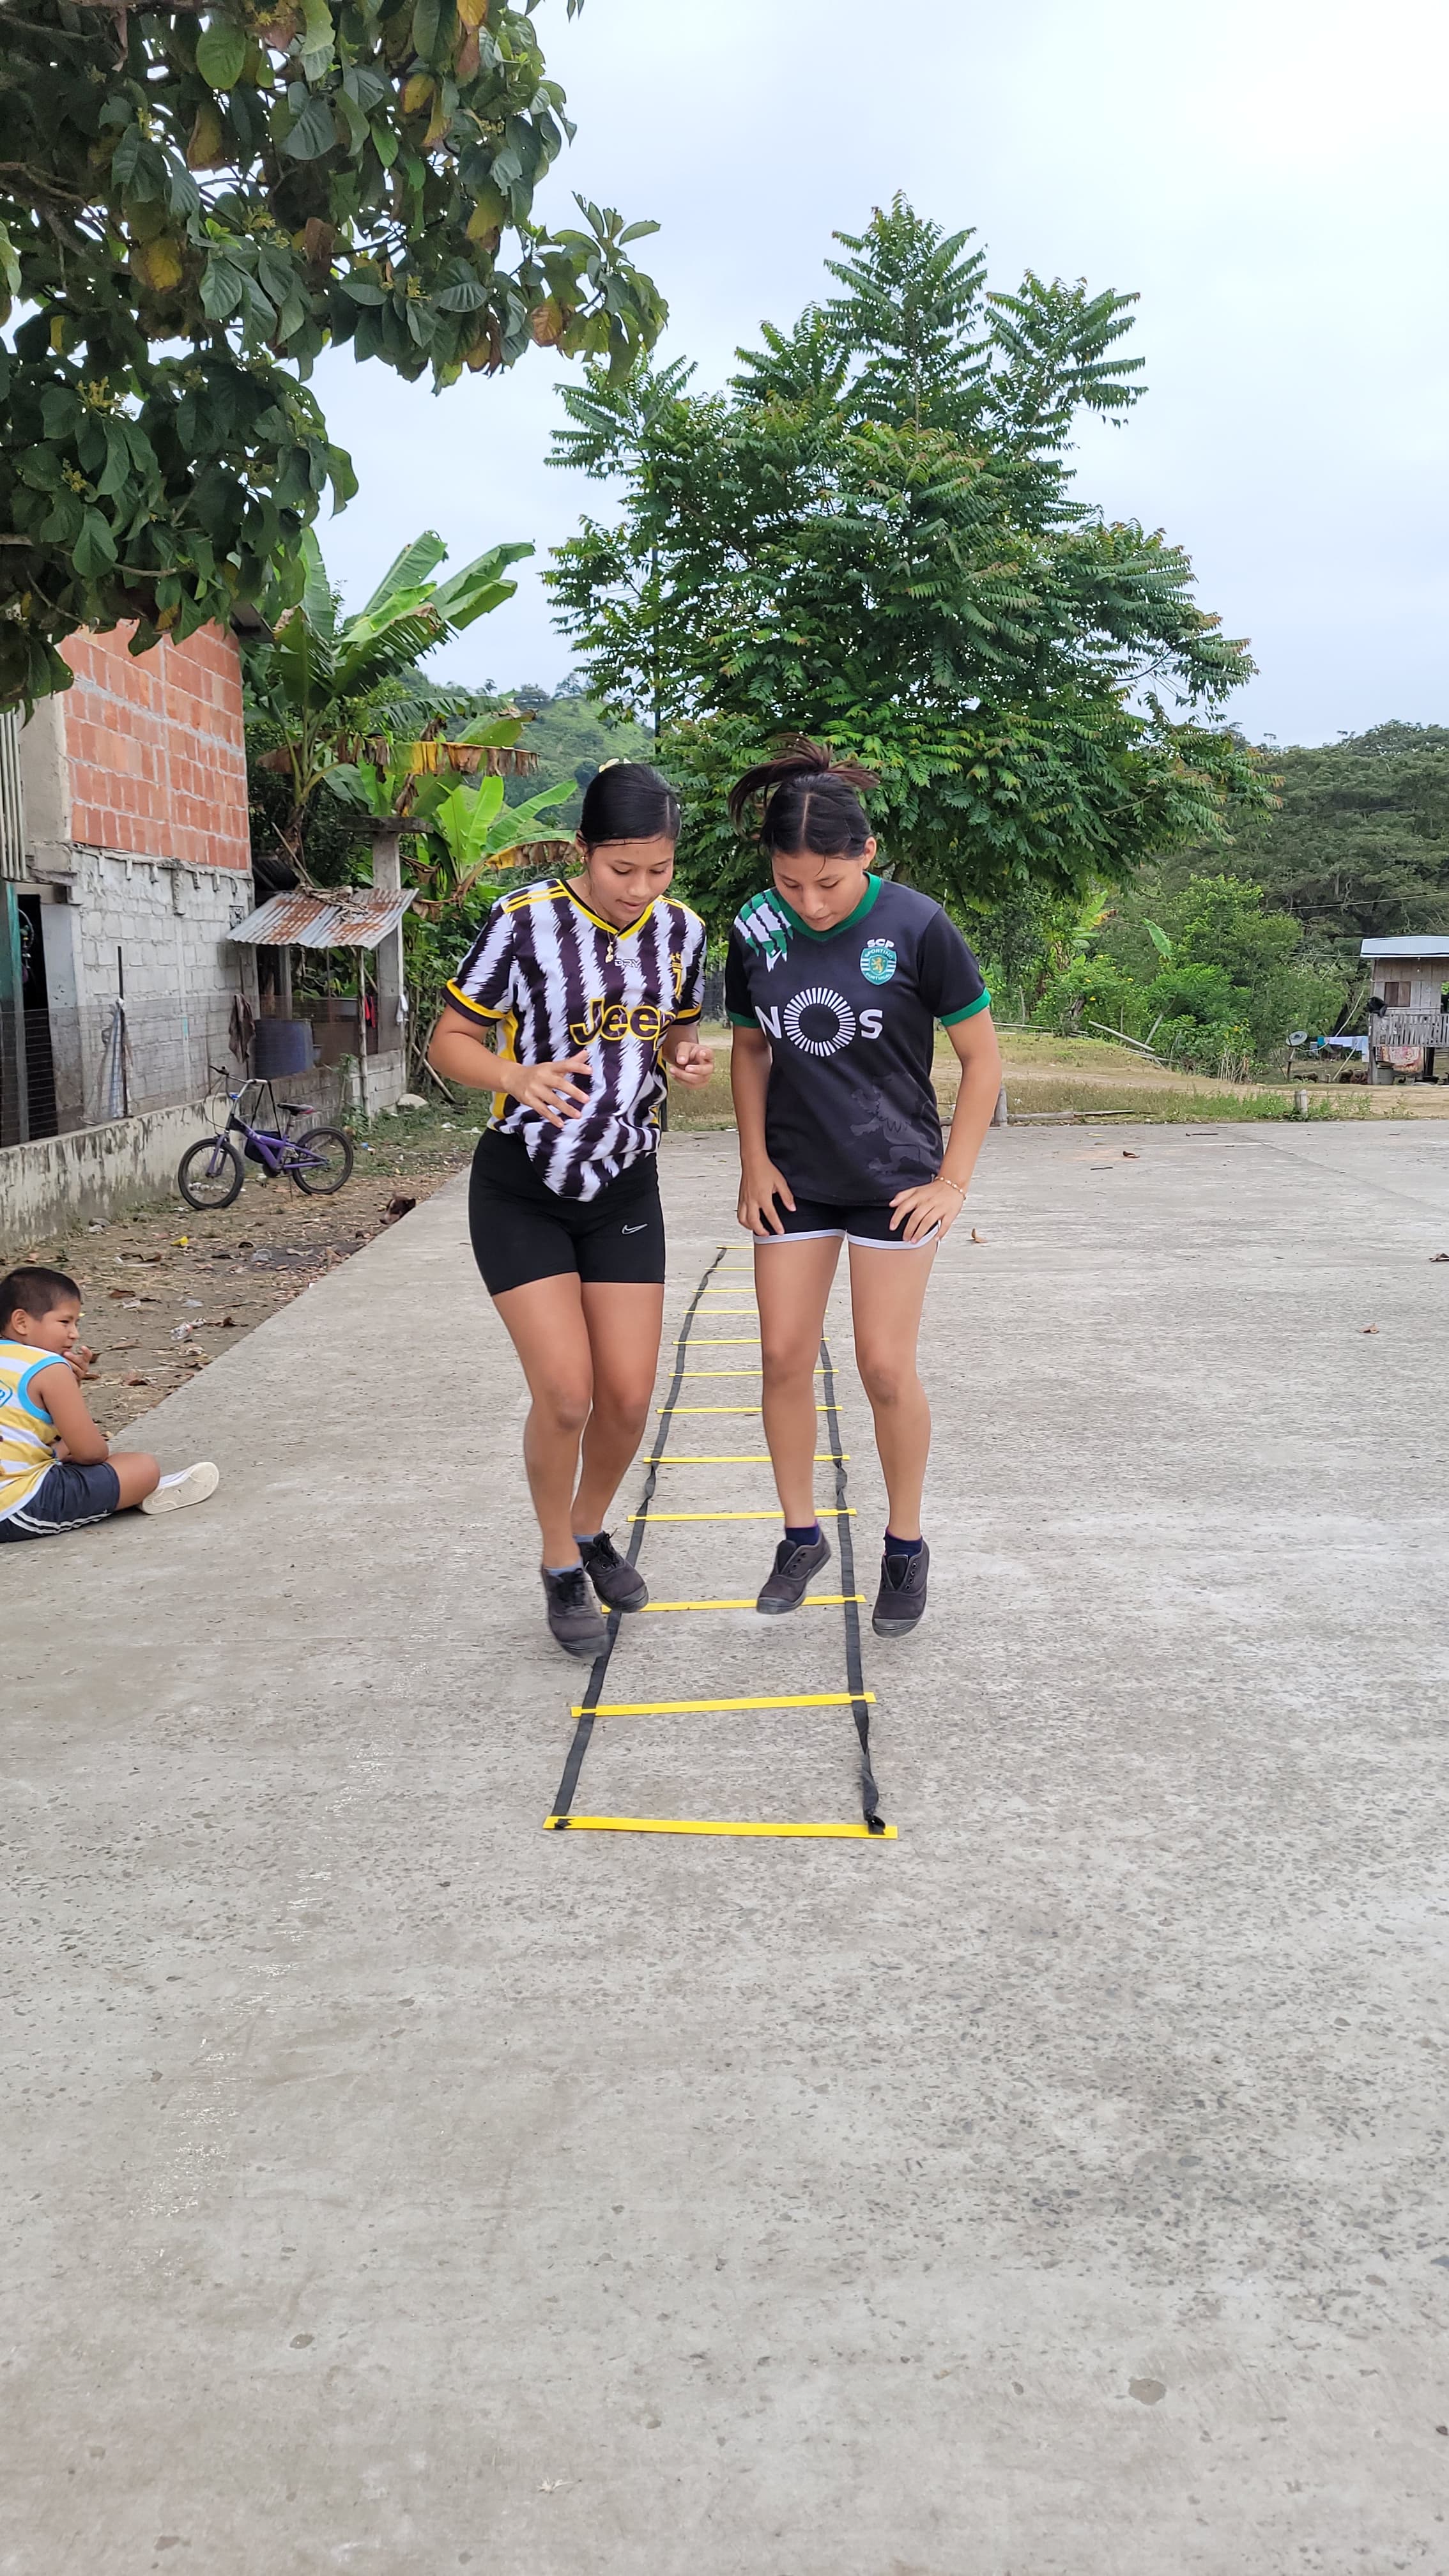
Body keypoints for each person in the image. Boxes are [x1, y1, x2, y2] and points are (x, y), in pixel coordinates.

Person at [428, 762, 714, 1659]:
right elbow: (448, 1039)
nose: (640, 888)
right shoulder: (522, 923)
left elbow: (676, 1031)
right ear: (583, 850)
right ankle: (559, 1563)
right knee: (565, 1394)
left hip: (625, 1184)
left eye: (659, 869)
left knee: (626, 1399)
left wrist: (686, 1058)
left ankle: (589, 1527)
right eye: (622, 868)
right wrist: (513, 1075)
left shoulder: (683, 932)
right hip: (522, 1186)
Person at [724, 742, 1002, 1636]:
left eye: (829, 884)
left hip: (895, 1176)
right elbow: (750, 1049)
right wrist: (753, 1160)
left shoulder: (919, 926)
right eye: (790, 882)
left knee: (884, 1365)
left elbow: (982, 1058)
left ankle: (905, 1546)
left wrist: (953, 1180)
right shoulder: (755, 927)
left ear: (868, 854)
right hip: (795, 1176)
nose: (809, 903)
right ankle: (800, 1537)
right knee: (782, 1358)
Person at [0, 1265, 219, 1542]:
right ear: (21, 1322)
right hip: (17, 1508)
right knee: (142, 1467)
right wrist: (68, 1390)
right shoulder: (49, 1366)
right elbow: (91, 1453)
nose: (74, 1334)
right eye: (65, 1322)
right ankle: (134, 1496)